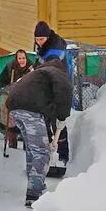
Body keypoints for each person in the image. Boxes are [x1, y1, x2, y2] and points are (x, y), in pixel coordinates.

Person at [6, 56, 73, 207]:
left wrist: (51, 133)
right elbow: (64, 93)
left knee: (32, 150)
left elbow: (47, 106)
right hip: (30, 109)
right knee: (42, 152)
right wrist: (62, 117)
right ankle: (34, 194)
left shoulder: (40, 74)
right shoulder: (58, 72)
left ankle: (36, 186)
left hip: (15, 106)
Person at [33, 21, 70, 164]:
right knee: (45, 119)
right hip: (49, 87)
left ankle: (62, 156)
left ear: (48, 37)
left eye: (41, 39)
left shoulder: (54, 52)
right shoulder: (45, 47)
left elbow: (50, 70)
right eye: (37, 39)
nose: (39, 42)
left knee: (58, 122)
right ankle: (49, 152)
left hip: (59, 88)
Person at [0, 49, 33, 148]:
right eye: (19, 58)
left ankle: (27, 145)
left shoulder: (31, 68)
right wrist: (7, 88)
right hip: (13, 97)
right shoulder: (10, 67)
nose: (22, 60)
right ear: (16, 59)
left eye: (23, 58)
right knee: (11, 120)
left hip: (27, 98)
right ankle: (12, 144)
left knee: (26, 122)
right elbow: (0, 81)